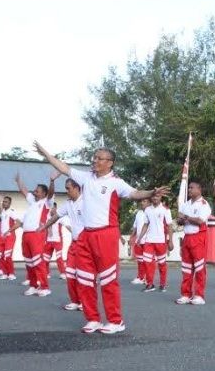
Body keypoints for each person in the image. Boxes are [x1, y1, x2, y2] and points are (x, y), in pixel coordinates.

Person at [34, 142, 165, 333]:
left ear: (110, 163)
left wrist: (152, 192)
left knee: (108, 279)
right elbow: (63, 167)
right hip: (86, 235)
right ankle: (92, 318)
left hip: (106, 233)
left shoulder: (115, 182)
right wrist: (45, 152)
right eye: (94, 157)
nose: (95, 161)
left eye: (99, 158)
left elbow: (136, 193)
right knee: (85, 279)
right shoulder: (86, 178)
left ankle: (115, 321)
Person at [13, 173, 53, 297]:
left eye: (37, 191)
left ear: (43, 194)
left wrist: (52, 181)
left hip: (37, 234)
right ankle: (33, 285)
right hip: (26, 235)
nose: (34, 192)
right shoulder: (32, 202)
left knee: (38, 261)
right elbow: (24, 191)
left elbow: (51, 193)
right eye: (35, 191)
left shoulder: (47, 202)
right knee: (29, 262)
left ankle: (45, 287)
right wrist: (19, 180)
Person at [176, 180, 212, 305]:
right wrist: (179, 219)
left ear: (199, 189)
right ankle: (185, 294)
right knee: (186, 268)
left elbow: (199, 221)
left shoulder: (204, 204)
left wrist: (185, 217)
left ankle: (199, 295)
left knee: (199, 268)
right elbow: (180, 222)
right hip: (187, 237)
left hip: (199, 237)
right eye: (189, 188)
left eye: (192, 188)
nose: (189, 190)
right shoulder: (185, 204)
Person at [140, 192, 172, 291]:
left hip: (161, 240)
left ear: (160, 197)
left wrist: (170, 241)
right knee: (147, 261)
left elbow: (170, 226)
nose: (155, 198)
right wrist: (139, 237)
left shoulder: (165, 209)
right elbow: (145, 224)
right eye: (153, 196)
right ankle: (150, 284)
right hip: (149, 240)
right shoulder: (147, 210)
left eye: (157, 196)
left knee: (162, 263)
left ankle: (162, 284)